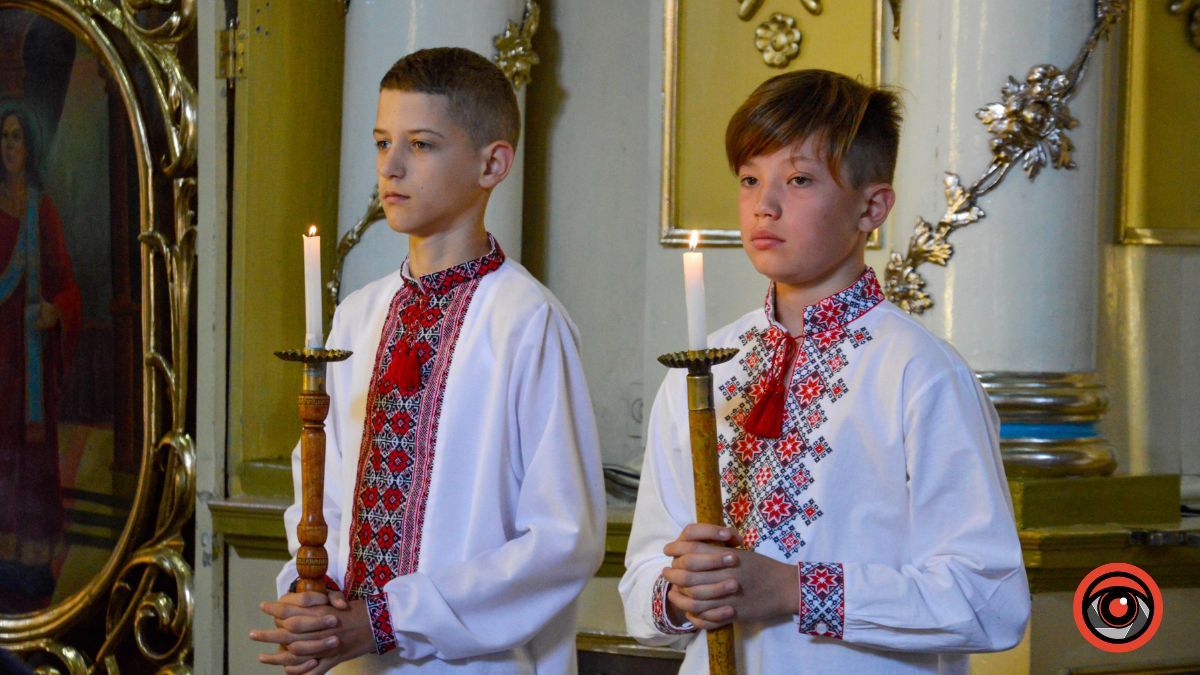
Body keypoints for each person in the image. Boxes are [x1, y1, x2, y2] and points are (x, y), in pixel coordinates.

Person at [619, 70, 1030, 673]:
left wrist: (795, 589)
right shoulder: (704, 367)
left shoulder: (920, 373)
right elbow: (642, 580)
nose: (765, 205)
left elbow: (987, 600)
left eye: (800, 180)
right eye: (750, 179)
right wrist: (680, 594)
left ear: (872, 206)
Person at [250, 48, 606, 673]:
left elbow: (562, 540)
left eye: (421, 144)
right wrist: (315, 595)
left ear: (493, 162)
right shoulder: (358, 317)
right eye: (382, 141)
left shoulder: (526, 322)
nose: (390, 166)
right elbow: (324, 490)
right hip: (355, 658)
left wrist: (389, 619)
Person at [0, 104, 81, 613]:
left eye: (15, 137)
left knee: (28, 464)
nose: (8, 147)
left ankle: (28, 568)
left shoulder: (41, 210)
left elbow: (69, 288)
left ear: (29, 147)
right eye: (2, 138)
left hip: (26, 365)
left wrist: (55, 311)